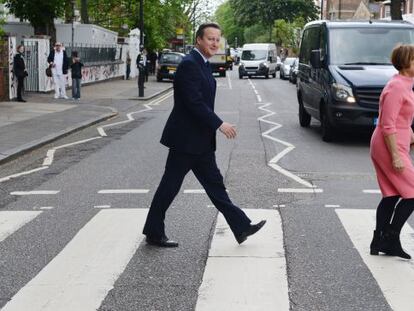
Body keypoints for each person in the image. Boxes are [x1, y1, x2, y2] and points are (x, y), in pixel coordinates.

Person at [142, 22, 266, 248]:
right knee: (169, 187)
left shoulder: (203, 64)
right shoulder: (190, 64)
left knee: (216, 186)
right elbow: (193, 103)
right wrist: (219, 124)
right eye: (210, 39)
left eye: (217, 39)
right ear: (199, 39)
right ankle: (153, 231)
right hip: (186, 141)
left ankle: (241, 227)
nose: (215, 43)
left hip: (200, 141)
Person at [370, 44, 414, 260]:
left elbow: (400, 118)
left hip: (396, 143)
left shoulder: (404, 84)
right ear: (406, 63)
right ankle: (390, 237)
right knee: (413, 193)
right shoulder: (397, 87)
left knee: (391, 195)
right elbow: (387, 124)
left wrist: (410, 133)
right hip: (390, 147)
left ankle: (379, 240)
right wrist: (396, 155)